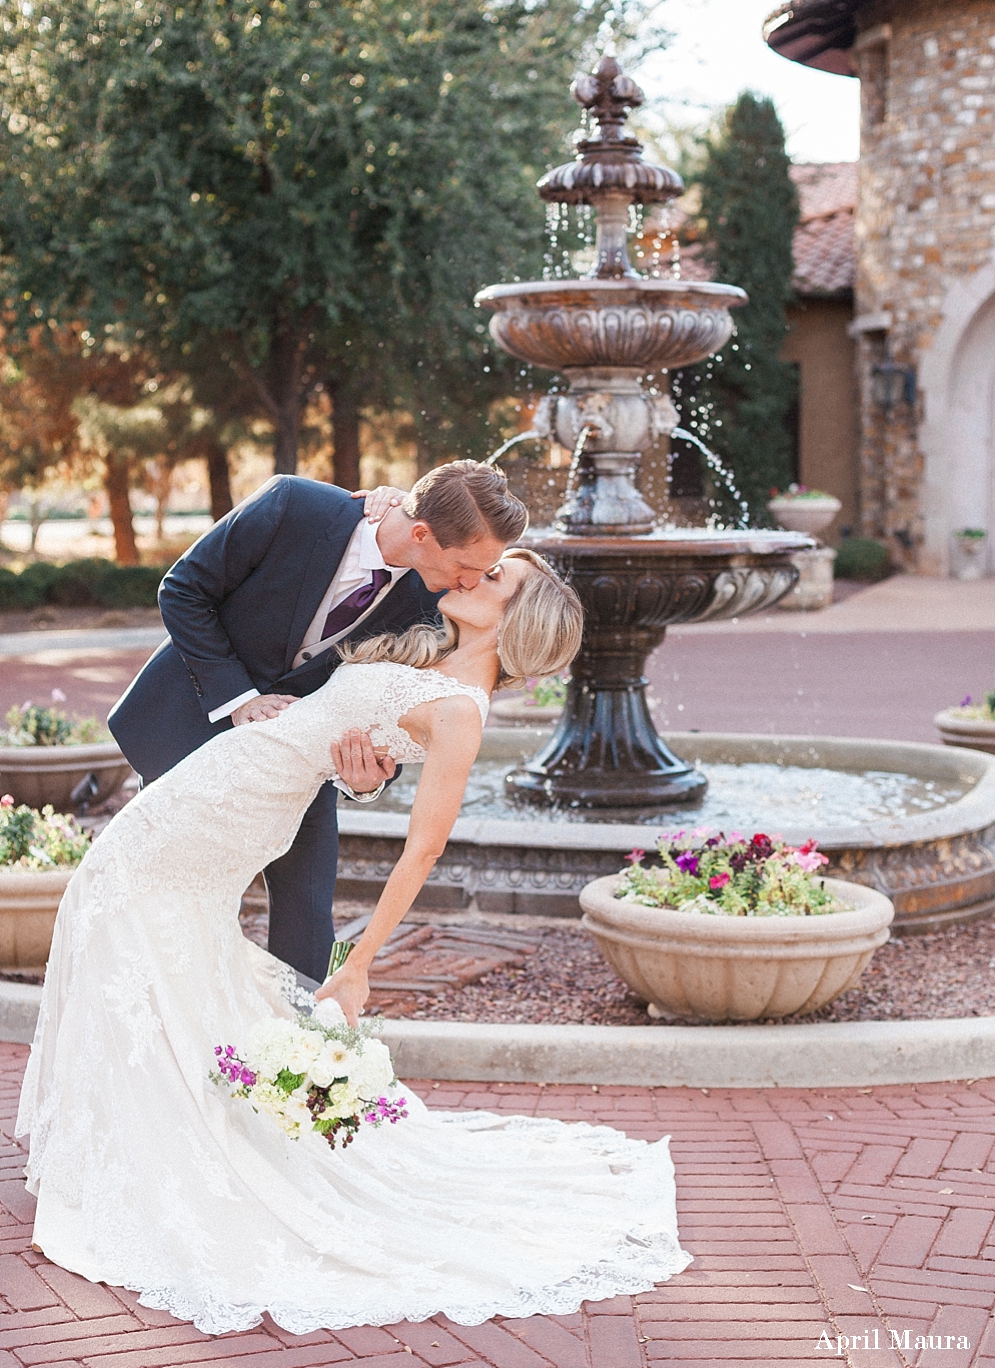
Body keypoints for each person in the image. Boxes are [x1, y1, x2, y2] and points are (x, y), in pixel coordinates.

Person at [17, 550, 692, 1336]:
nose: (473, 577)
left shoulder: (461, 711)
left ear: (520, 620)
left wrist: (358, 961)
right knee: (147, 942)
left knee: (125, 922)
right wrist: (353, 768)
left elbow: (424, 851)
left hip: (222, 815)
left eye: (495, 578)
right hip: (223, 790)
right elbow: (348, 743)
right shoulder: (428, 649)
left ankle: (158, 1156)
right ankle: (137, 1147)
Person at [108, 460, 528, 983]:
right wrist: (239, 698)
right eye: (469, 565)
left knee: (307, 918)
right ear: (421, 533)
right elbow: (184, 590)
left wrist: (371, 780)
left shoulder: (437, 602)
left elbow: (397, 707)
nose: (472, 581)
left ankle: (301, 1051)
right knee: (172, 892)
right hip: (193, 726)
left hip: (306, 768)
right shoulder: (294, 505)